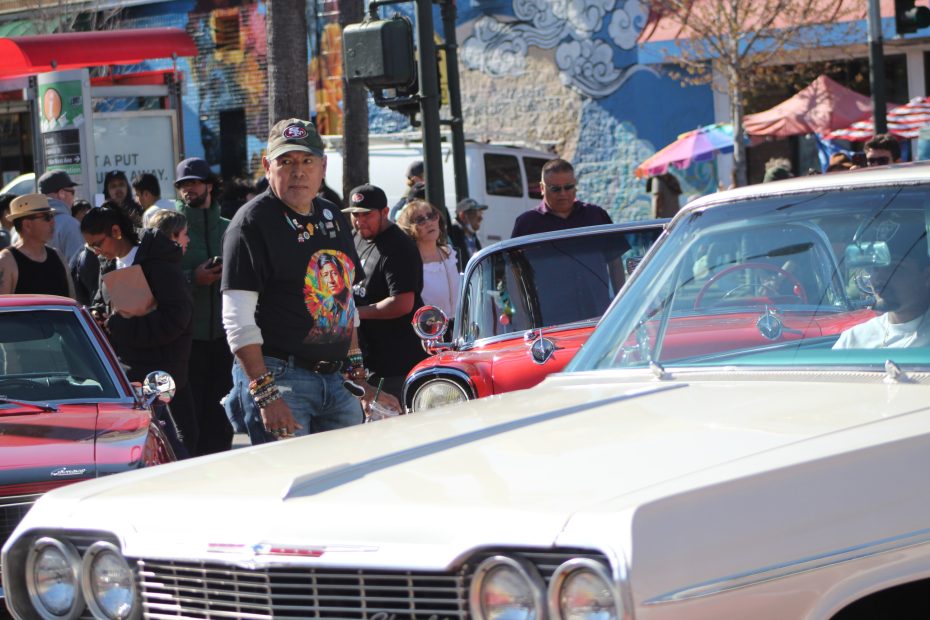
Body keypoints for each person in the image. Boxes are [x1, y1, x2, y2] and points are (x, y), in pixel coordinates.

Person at [222, 118, 395, 444]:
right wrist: (266, 394)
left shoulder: (332, 216)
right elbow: (237, 319)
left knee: (348, 482)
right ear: (267, 166)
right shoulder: (250, 223)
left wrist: (359, 377)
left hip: (339, 382)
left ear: (323, 166)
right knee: (292, 485)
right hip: (281, 379)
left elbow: (345, 305)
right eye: (285, 161)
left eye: (307, 160)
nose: (298, 171)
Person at [81, 205, 196, 454]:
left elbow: (177, 317)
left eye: (98, 243)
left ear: (116, 231)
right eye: (90, 247)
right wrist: (98, 315)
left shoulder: (157, 261)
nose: (95, 251)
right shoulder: (108, 264)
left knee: (175, 447)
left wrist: (119, 326)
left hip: (163, 373)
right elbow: (104, 303)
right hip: (128, 372)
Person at [345, 183, 428, 401]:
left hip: (398, 364)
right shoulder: (356, 238)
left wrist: (354, 313)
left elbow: (402, 303)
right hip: (368, 363)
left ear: (385, 212)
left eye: (367, 215)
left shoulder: (399, 247)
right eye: (355, 214)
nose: (360, 221)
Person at [174, 157, 234, 455]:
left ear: (209, 185)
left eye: (194, 182)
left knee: (222, 420)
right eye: (183, 185)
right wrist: (192, 278)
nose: (188, 189)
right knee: (190, 421)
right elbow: (159, 280)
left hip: (225, 340)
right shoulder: (172, 229)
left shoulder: (230, 227)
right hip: (187, 340)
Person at [834, 213, 930, 349]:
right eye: (874, 267)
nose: (878, 278)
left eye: (894, 268)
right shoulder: (853, 340)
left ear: (927, 276)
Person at [511, 158, 611, 237]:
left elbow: (614, 258)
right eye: (555, 189)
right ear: (542, 188)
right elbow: (514, 261)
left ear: (575, 185)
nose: (563, 193)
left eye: (568, 187)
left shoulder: (596, 215)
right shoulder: (527, 223)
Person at [397, 200, 461, 321]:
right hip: (429, 333)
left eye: (431, 216)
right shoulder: (409, 263)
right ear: (410, 229)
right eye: (420, 220)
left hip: (457, 331)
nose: (429, 223)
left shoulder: (449, 254)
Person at [0, 193, 75, 297]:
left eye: (52, 216)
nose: (53, 222)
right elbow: (3, 308)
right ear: (27, 225)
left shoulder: (58, 256)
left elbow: (72, 302)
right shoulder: (6, 261)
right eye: (47, 217)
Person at [31, 170, 85, 263]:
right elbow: (78, 266)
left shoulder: (24, 225)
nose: (75, 198)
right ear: (61, 194)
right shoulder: (70, 225)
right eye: (72, 192)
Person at [448, 197, 486, 271]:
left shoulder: (472, 236)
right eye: (476, 214)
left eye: (481, 214)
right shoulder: (454, 235)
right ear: (462, 216)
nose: (481, 218)